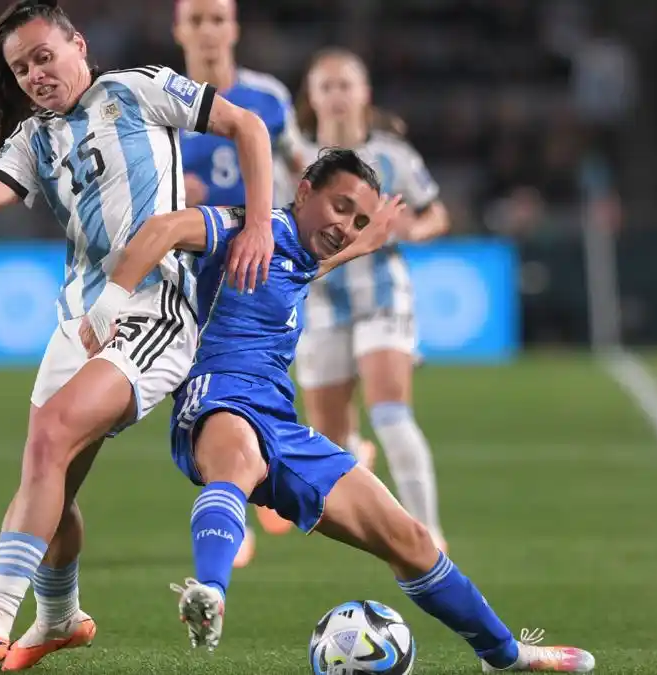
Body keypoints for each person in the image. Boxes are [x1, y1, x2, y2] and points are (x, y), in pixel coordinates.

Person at [0, 0, 278, 670]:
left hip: (154, 311)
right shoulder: (35, 138)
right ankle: (61, 617)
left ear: (78, 45)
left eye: (44, 57)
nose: (35, 74)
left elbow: (246, 126)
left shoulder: (137, 88)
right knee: (49, 481)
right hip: (78, 325)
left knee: (53, 432)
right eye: (21, 68)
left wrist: (261, 221)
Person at [80, 149, 595, 673]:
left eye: (359, 220)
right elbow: (165, 227)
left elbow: (303, 267)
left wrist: (364, 244)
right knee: (237, 464)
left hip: (282, 424)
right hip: (219, 397)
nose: (346, 226)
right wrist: (111, 301)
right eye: (340, 207)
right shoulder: (246, 227)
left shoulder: (302, 255)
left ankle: (504, 656)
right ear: (304, 191)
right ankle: (210, 593)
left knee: (410, 539)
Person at [294, 48, 451, 550]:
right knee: (331, 443)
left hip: (383, 292)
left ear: (364, 94)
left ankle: (427, 533)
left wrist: (415, 230)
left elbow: (436, 215)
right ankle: (360, 469)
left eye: (346, 85)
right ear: (312, 98)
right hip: (319, 297)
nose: (338, 96)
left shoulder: (392, 155)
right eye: (327, 87)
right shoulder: (293, 156)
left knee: (392, 414)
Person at [173, 0, 309, 566]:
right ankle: (232, 496)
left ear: (234, 28)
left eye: (217, 19)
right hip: (193, 267)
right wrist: (178, 195)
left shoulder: (268, 98)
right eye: (196, 20)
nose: (208, 31)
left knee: (263, 375)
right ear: (179, 29)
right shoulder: (162, 102)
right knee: (196, 389)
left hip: (261, 264)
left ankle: (252, 483)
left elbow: (303, 165)